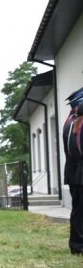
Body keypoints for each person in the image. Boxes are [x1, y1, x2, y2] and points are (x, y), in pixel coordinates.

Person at [62, 87, 83, 255]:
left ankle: (77, 245)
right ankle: (78, 246)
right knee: (79, 211)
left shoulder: (70, 121)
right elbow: (77, 150)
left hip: (74, 174)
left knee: (78, 210)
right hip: (79, 174)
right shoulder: (76, 123)